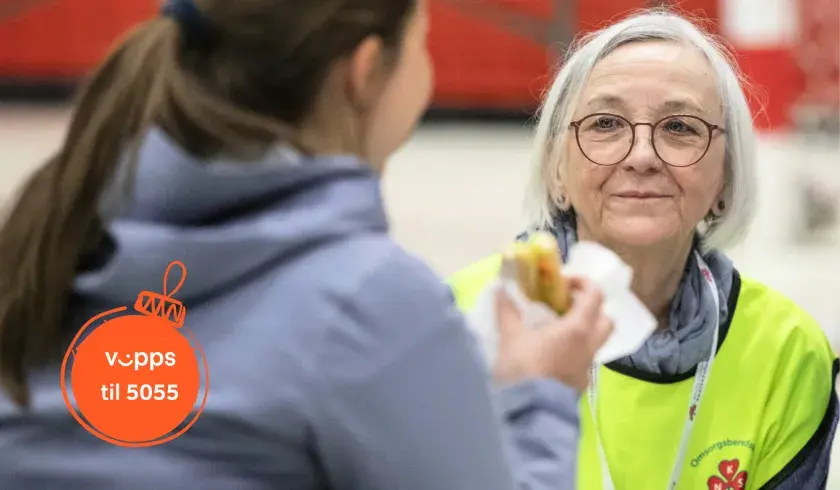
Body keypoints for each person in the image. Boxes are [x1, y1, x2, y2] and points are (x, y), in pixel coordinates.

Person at [0, 0, 615, 488]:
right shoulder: (368, 302)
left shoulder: (46, 239)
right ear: (367, 68)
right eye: (421, 41)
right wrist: (541, 390)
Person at [447, 10, 839, 490]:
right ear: (555, 168)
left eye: (680, 128)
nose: (641, 157)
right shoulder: (460, 319)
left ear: (727, 177)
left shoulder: (786, 348)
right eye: (606, 123)